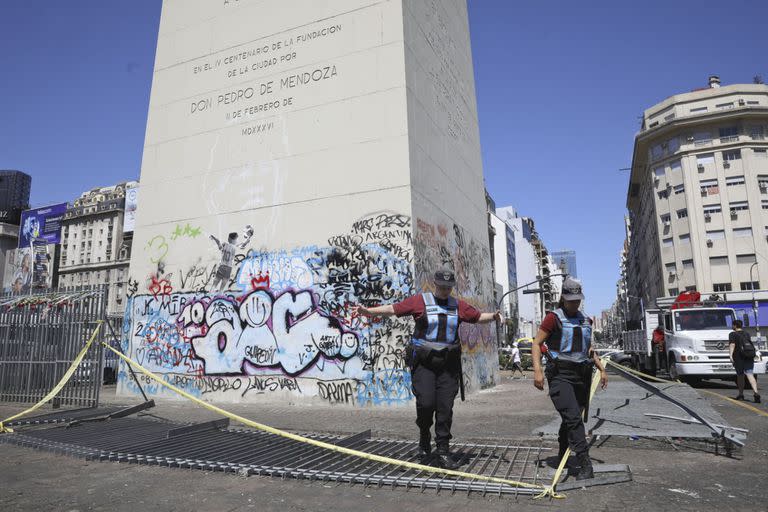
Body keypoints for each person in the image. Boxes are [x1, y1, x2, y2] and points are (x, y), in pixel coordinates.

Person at [353, 268, 501, 469]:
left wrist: (494, 316)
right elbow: (393, 309)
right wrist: (368, 312)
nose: (445, 290)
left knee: (445, 409)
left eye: (448, 287)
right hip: (424, 364)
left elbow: (476, 317)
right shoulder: (419, 302)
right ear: (435, 284)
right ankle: (424, 433)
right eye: (442, 287)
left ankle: (443, 451)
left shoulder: (458, 306)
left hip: (448, 366)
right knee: (426, 404)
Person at [531, 277, 607, 480]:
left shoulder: (586, 320)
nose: (575, 303)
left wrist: (601, 367)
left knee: (570, 420)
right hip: (560, 376)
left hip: (581, 376)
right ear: (563, 298)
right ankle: (584, 463)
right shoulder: (552, 318)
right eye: (571, 299)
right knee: (573, 417)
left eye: (577, 300)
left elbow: (587, 349)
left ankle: (562, 452)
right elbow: (536, 343)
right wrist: (537, 371)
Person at [729, 319, 760, 403]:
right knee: (750, 374)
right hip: (749, 356)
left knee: (740, 376)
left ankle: (741, 394)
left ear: (735, 325)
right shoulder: (747, 333)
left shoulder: (732, 334)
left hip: (739, 357)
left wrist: (730, 355)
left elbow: (732, 344)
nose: (732, 326)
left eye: (733, 325)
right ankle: (756, 393)